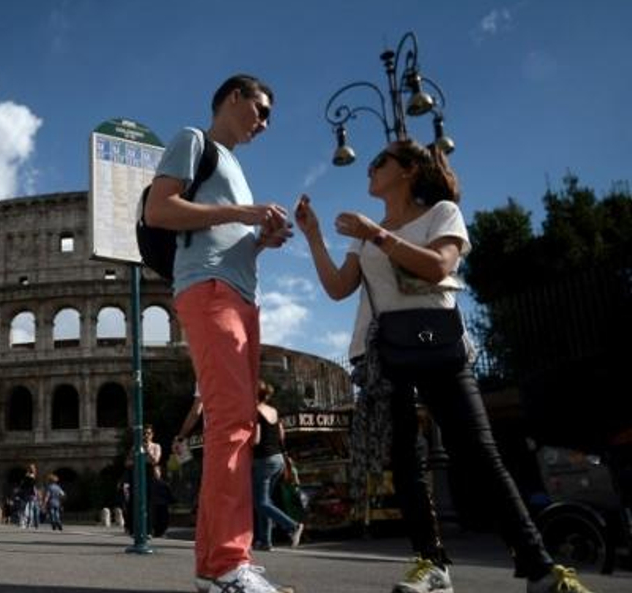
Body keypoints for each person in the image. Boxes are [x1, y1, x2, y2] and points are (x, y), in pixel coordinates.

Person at [294, 138, 594, 593]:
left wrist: (378, 234)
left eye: (380, 162)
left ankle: (541, 569)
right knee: (404, 461)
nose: (370, 169)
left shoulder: (441, 214)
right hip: (381, 353)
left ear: (410, 169)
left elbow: (438, 267)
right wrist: (314, 234)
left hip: (437, 344)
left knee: (480, 452)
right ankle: (431, 564)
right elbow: (339, 287)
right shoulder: (364, 231)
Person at [144, 73, 293, 593]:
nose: (266, 122)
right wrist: (243, 212)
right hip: (208, 290)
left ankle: (216, 567)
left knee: (238, 426)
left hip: (240, 294)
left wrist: (260, 243)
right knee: (231, 424)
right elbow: (158, 209)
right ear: (235, 97)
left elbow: (224, 238)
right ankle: (231, 563)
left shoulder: (236, 169)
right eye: (262, 108)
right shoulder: (194, 141)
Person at [252, 381, 304, 551]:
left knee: (261, 502)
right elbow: (281, 435)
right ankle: (265, 541)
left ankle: (292, 526)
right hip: (278, 459)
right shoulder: (273, 410)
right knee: (265, 500)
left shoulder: (255, 412)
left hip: (264, 460)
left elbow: (256, 440)